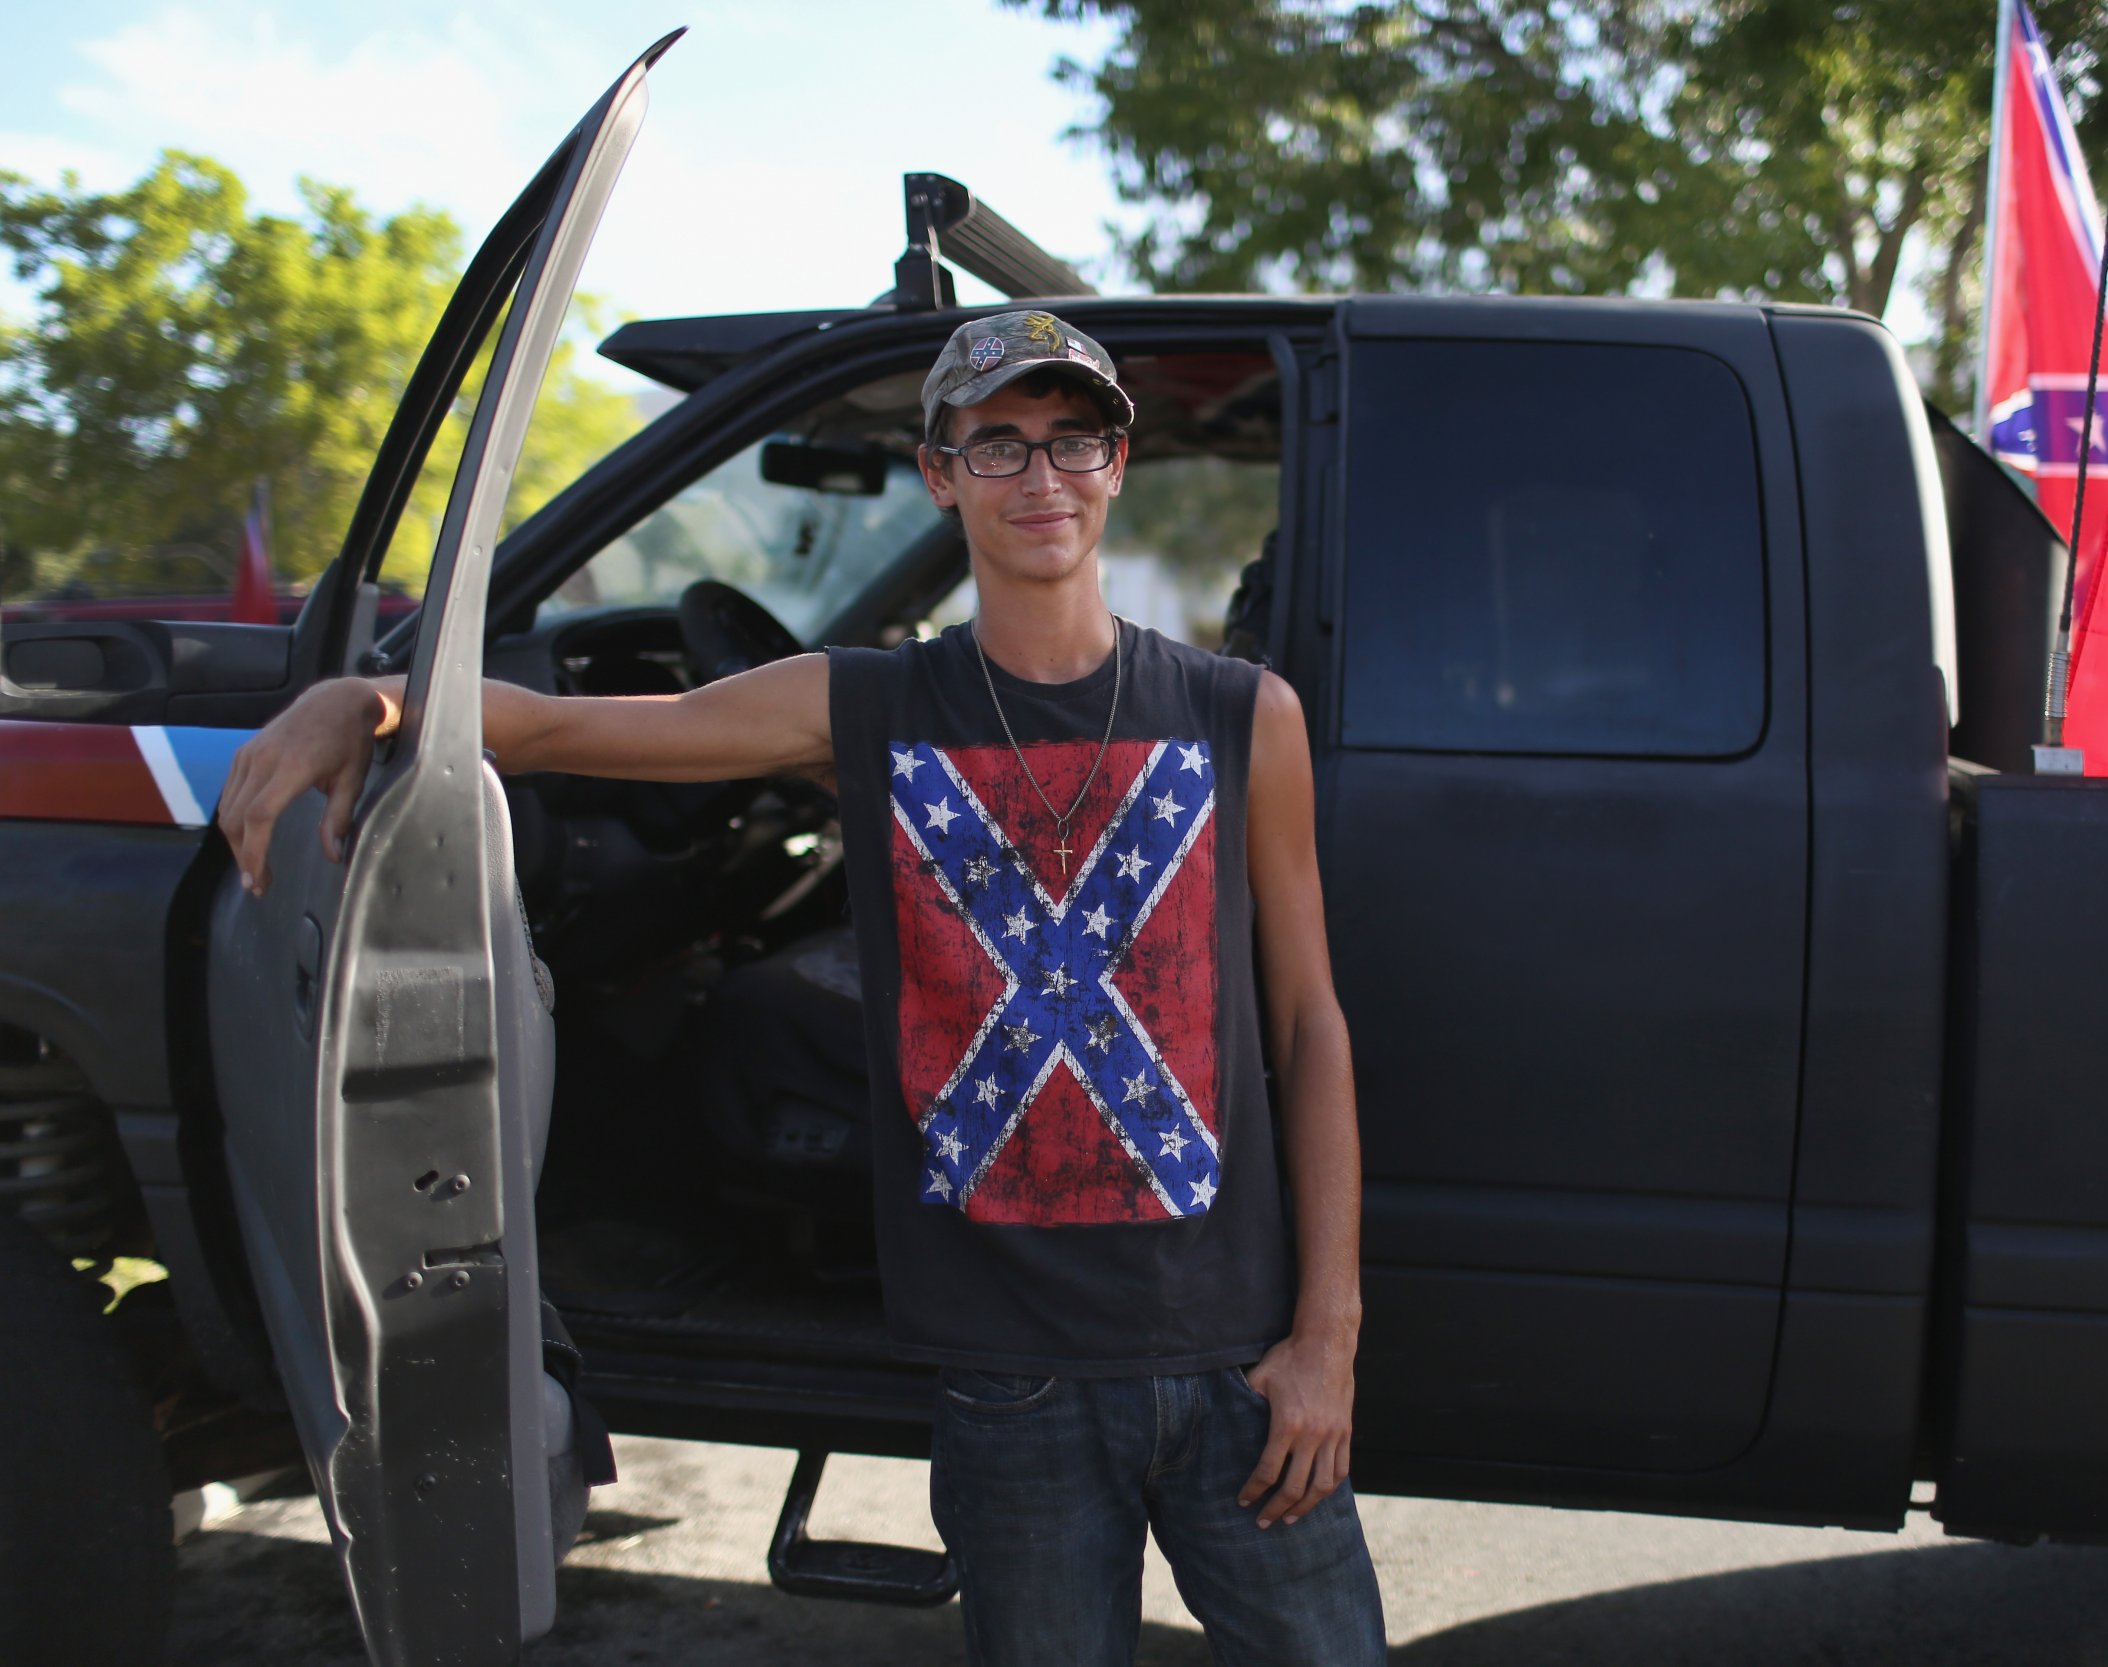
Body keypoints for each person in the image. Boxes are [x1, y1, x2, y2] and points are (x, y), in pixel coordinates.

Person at [219, 310, 1389, 1666]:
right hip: (1013, 1378)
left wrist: (1326, 1337)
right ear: (938, 473)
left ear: (1118, 463)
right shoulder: (868, 704)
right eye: (996, 445)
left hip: (1241, 1358)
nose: (1041, 477)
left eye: (1073, 440)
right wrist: (361, 705)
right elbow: (551, 726)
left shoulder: (1242, 714)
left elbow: (1308, 1025)